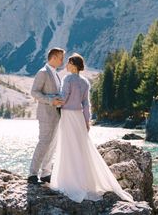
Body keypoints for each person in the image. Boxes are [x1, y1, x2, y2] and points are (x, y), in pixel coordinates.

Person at [49, 53, 134, 203]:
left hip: (68, 116)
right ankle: (85, 181)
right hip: (79, 117)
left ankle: (69, 182)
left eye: (68, 63)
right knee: (82, 148)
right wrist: (87, 121)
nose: (66, 66)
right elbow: (86, 104)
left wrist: (53, 101)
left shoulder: (67, 79)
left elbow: (63, 97)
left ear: (73, 65)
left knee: (68, 148)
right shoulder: (85, 82)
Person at [28, 47, 66, 184]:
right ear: (54, 57)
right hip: (46, 115)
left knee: (52, 144)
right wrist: (51, 100)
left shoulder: (55, 74)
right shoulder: (43, 73)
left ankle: (46, 173)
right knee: (44, 143)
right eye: (61, 58)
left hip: (56, 115)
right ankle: (32, 174)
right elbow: (34, 92)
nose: (63, 61)